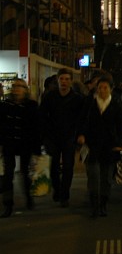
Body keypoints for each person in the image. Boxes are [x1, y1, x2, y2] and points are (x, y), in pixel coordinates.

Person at [76, 75, 122, 218]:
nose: (102, 90)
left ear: (111, 89)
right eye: (100, 88)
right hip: (92, 145)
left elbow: (121, 126)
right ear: (96, 89)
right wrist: (81, 135)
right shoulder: (90, 103)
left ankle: (103, 204)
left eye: (105, 87)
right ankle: (94, 205)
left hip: (109, 147)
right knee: (93, 176)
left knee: (106, 178)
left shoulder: (116, 105)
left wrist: (121, 143)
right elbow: (82, 121)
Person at [39, 67, 85, 208]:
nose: (64, 82)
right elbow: (42, 117)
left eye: (67, 79)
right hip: (52, 137)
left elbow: (81, 119)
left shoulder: (77, 99)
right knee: (53, 166)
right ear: (57, 80)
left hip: (69, 137)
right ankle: (57, 189)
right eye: (61, 79)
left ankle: (64, 194)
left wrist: (80, 134)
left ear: (71, 81)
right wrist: (44, 135)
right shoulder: (49, 97)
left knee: (68, 166)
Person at [1, 79, 42, 218]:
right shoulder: (6, 105)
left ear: (26, 89)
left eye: (20, 87)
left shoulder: (31, 106)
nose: (17, 89)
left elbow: (37, 128)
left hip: (25, 144)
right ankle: (8, 204)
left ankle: (29, 197)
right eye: (15, 86)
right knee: (8, 175)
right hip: (9, 144)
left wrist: (37, 149)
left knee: (25, 173)